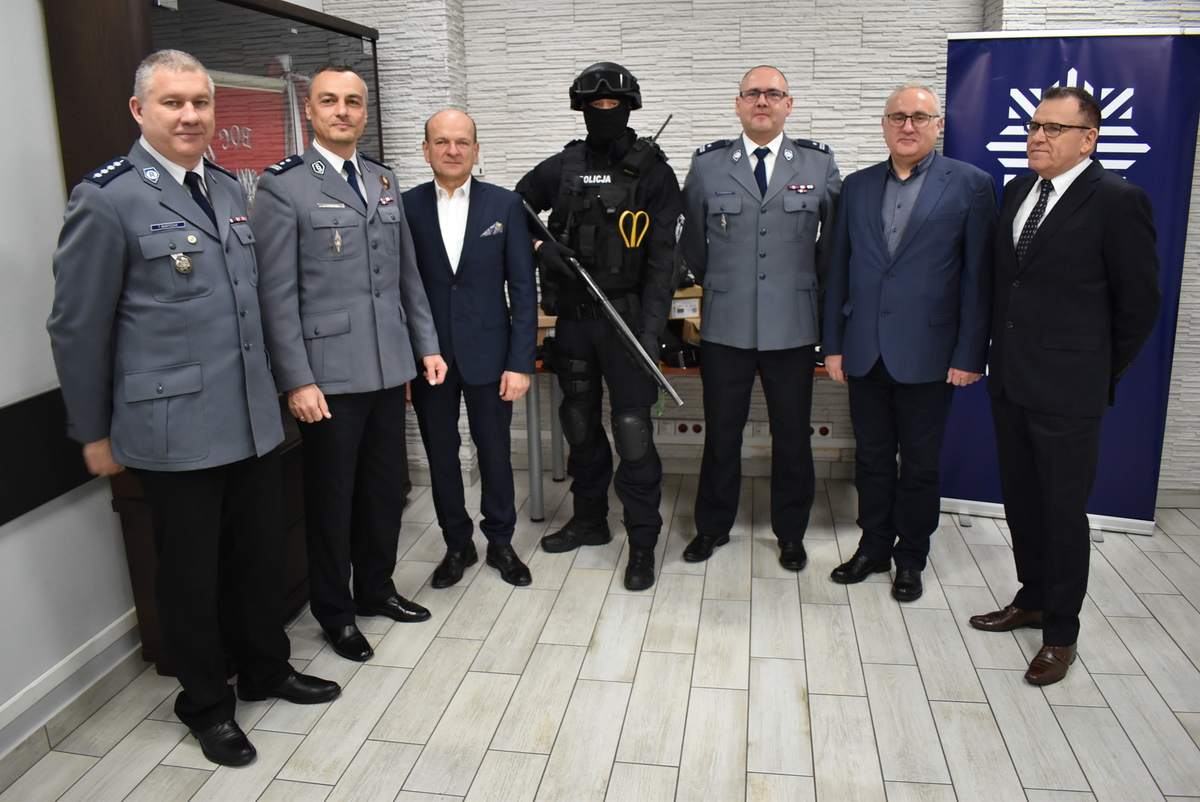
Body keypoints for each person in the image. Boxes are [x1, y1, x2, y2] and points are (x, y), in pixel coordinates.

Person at [46, 50, 339, 768]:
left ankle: (265, 668)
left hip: (249, 420)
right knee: (191, 577)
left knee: (258, 559)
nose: (188, 116)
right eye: (172, 102)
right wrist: (93, 431)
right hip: (173, 430)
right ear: (139, 110)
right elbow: (76, 328)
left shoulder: (228, 187)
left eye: (200, 103)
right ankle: (206, 704)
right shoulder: (108, 198)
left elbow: (249, 304)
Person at [254, 60, 446, 664]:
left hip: (388, 368)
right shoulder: (284, 186)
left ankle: (377, 589)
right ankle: (335, 614)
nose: (343, 111)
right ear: (309, 110)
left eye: (353, 101)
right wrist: (296, 379)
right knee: (333, 501)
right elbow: (274, 296)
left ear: (364, 113)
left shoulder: (382, 179)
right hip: (328, 377)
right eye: (330, 100)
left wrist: (425, 346)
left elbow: (406, 276)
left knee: (385, 491)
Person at [969, 86, 1160, 685]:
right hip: (1011, 380)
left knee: (1061, 512)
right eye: (1034, 125)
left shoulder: (1119, 201)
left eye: (1053, 128)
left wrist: (1094, 372)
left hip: (1069, 392)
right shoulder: (1017, 190)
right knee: (1023, 503)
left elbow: (1139, 306)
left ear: (1089, 138)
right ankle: (1031, 598)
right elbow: (1009, 284)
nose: (1038, 136)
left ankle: (1060, 633)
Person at [823, 83, 997, 602]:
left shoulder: (971, 184)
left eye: (920, 117)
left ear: (938, 126)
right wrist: (833, 345)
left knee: (920, 465)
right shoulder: (856, 186)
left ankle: (911, 557)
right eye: (897, 116)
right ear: (884, 125)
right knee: (872, 459)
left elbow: (980, 279)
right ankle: (873, 546)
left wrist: (970, 353)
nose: (907, 126)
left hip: (931, 354)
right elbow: (838, 270)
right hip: (864, 349)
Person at [516, 62, 681, 591]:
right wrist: (541, 248)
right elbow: (514, 206)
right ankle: (590, 521)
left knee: (632, 431)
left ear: (630, 108)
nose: (605, 112)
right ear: (582, 109)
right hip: (574, 321)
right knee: (578, 424)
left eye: (614, 104)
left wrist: (650, 334)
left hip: (627, 320)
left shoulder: (653, 172)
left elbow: (663, 263)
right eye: (596, 105)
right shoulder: (563, 167)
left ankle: (643, 542)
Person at [678, 65, 841, 570]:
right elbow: (693, 247)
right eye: (753, 94)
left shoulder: (818, 163)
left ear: (789, 105)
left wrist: (806, 293)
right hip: (726, 323)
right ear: (738, 104)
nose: (762, 102)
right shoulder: (708, 165)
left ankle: (791, 533)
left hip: (792, 325)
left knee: (792, 435)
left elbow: (832, 248)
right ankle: (712, 527)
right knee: (721, 432)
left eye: (773, 94)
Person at [402, 110, 538, 588]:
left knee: (495, 453)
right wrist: (406, 361)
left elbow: (523, 290)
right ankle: (457, 544)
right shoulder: (404, 208)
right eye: (442, 142)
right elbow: (399, 290)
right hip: (430, 359)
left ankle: (501, 542)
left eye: (462, 142)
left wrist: (521, 362)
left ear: (476, 150)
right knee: (441, 455)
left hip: (492, 356)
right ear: (426, 150)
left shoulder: (505, 205)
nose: (453, 150)